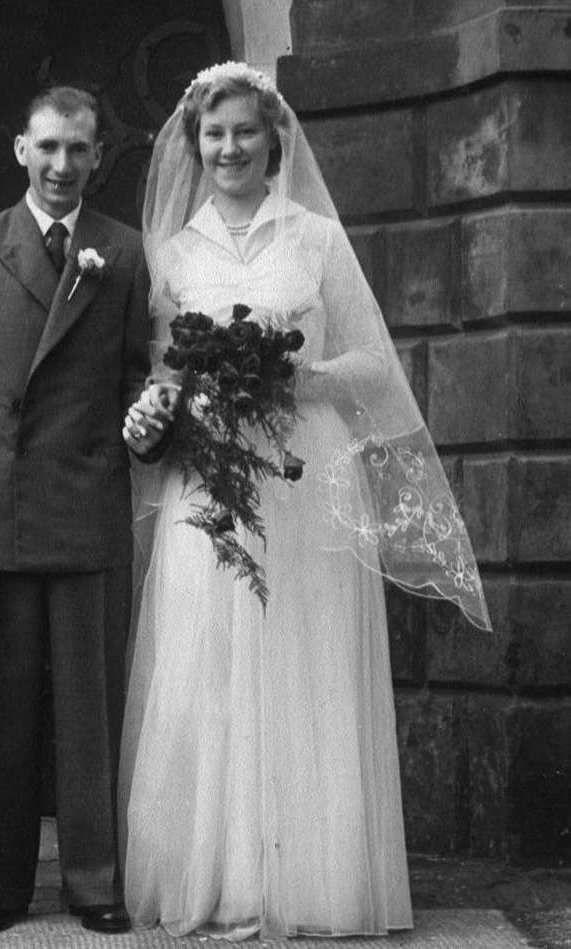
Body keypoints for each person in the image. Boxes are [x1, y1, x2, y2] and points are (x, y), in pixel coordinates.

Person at [119, 61, 492, 940]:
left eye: (245, 131)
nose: (229, 147)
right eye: (214, 134)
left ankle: (311, 879)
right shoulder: (173, 255)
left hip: (305, 473)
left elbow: (375, 366)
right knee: (209, 660)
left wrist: (302, 373)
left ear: (274, 138)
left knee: (300, 660)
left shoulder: (317, 239)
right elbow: (164, 370)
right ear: (194, 144)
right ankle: (224, 879)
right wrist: (163, 404)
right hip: (210, 479)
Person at [0, 86, 158, 936]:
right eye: (48, 148)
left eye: (80, 152)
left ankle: (94, 880)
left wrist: (148, 419)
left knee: (91, 709)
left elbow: (136, 373)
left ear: (99, 158)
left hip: (89, 498)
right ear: (21, 147)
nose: (62, 167)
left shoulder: (122, 252)